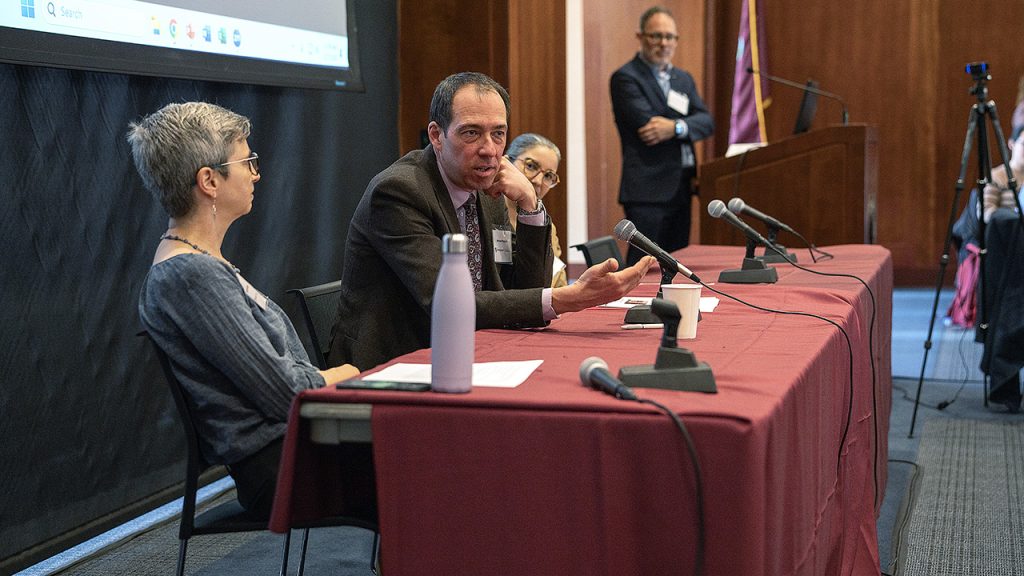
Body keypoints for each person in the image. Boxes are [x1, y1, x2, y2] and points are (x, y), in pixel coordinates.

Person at [131, 102, 369, 518]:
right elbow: (288, 393)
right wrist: (350, 372)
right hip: (286, 466)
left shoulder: (199, 264)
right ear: (209, 180)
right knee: (438, 456)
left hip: (302, 447)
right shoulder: (190, 275)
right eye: (246, 162)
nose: (256, 174)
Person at [328, 72, 655, 371]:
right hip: (393, 366)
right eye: (471, 133)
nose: (489, 150)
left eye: (498, 134)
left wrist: (530, 205)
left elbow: (523, 292)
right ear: (437, 136)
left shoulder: (489, 188)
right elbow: (450, 306)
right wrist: (567, 298)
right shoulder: (399, 192)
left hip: (473, 355)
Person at [611, 5, 714, 266]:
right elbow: (650, 127)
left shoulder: (683, 79)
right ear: (640, 37)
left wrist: (676, 127)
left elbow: (706, 122)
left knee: (675, 265)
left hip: (682, 187)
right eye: (656, 36)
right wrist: (686, 124)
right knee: (642, 267)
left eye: (669, 37)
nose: (664, 43)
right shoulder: (626, 78)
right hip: (648, 191)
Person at [504, 132, 568, 288]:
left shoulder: (546, 227)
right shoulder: (483, 211)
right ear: (506, 163)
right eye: (531, 166)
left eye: (548, 176)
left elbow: (558, 285)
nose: (538, 181)